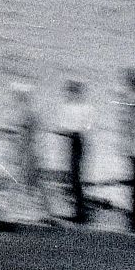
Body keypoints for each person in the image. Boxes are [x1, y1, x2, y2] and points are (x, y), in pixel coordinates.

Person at [53, 80, 94, 223]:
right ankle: (79, 210)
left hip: (75, 141)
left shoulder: (74, 107)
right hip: (78, 141)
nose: (69, 94)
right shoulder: (85, 107)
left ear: (74, 92)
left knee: (74, 176)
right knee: (75, 176)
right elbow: (86, 127)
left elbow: (73, 129)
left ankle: (80, 212)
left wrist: (63, 132)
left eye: (70, 91)